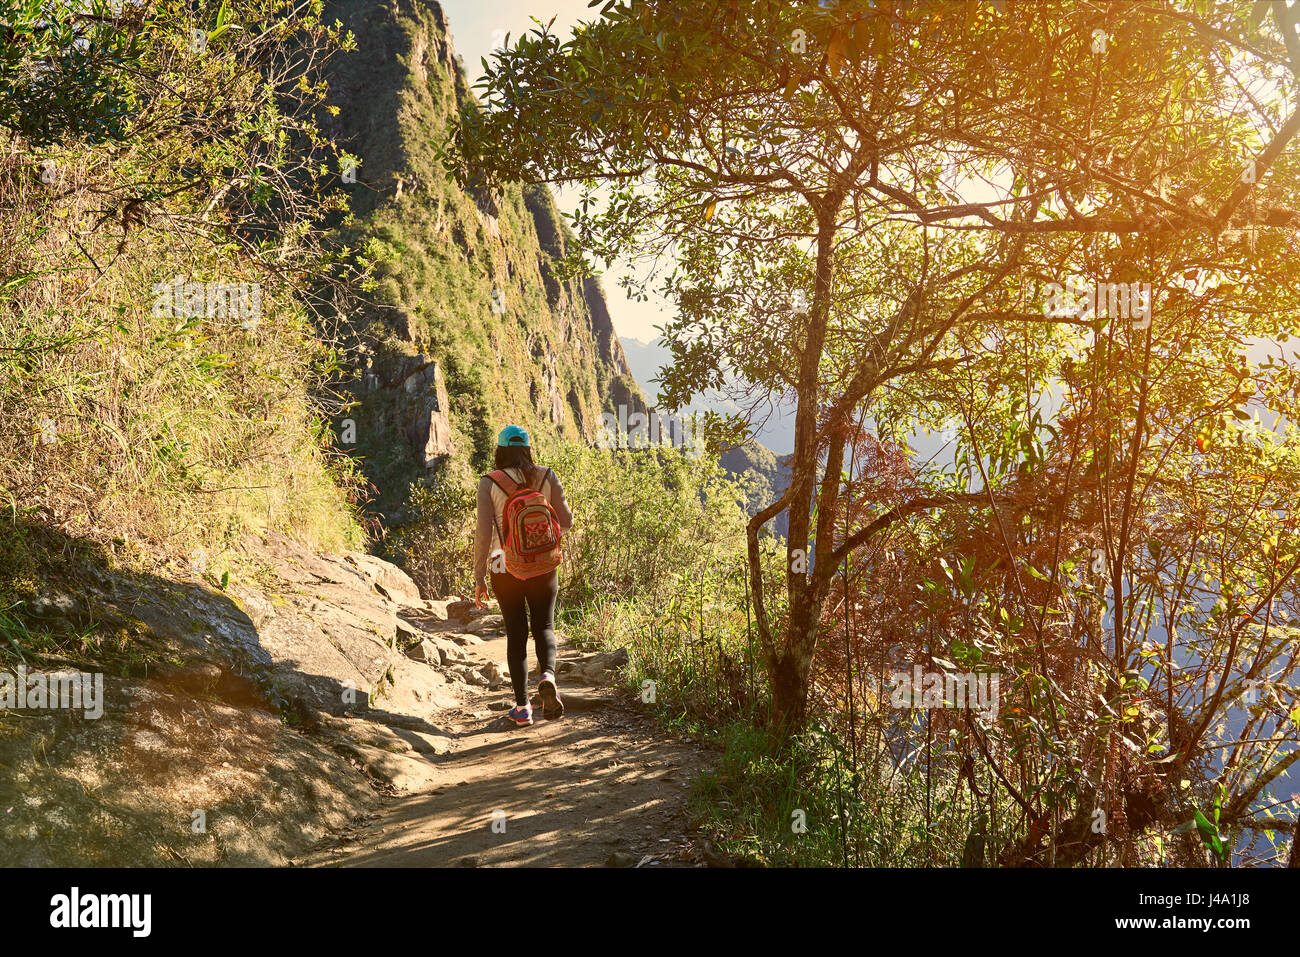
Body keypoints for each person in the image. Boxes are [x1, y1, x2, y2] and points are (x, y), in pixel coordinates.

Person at [473, 425, 573, 727]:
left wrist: (479, 577)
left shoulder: (489, 482)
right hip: (544, 563)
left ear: (500, 450)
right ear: (528, 448)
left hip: (503, 565)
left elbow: (483, 533)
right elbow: (566, 521)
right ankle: (547, 676)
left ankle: (522, 708)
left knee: (516, 634)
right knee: (544, 624)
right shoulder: (547, 475)